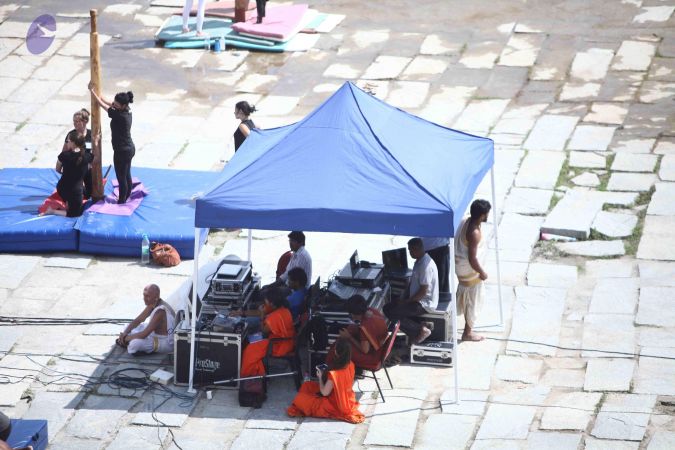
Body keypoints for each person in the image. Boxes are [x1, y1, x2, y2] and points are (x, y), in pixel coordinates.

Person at [287, 338, 365, 423]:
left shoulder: (335, 373)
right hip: (347, 399)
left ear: (336, 352)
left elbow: (324, 393)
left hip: (333, 405)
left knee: (299, 399)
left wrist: (320, 377)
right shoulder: (351, 364)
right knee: (307, 385)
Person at [383, 238, 438, 344]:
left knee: (391, 312)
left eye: (410, 250)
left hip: (424, 303)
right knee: (388, 307)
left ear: (416, 249)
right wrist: (402, 297)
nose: (409, 253)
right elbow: (413, 282)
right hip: (416, 299)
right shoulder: (419, 261)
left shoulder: (425, 266)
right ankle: (419, 327)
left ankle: (420, 331)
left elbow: (423, 292)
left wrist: (406, 301)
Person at [89, 83, 135, 204]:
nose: (114, 104)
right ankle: (127, 195)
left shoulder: (120, 116)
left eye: (117, 104)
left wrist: (92, 92)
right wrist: (98, 93)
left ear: (123, 106)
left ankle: (122, 200)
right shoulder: (127, 110)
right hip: (129, 148)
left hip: (122, 151)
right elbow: (111, 104)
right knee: (126, 173)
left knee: (121, 177)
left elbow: (103, 105)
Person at [455, 199, 490, 342]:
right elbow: (473, 259)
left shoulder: (465, 221)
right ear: (482, 215)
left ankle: (466, 330)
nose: (488, 215)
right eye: (487, 213)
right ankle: (467, 333)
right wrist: (482, 272)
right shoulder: (474, 232)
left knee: (469, 298)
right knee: (473, 300)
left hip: (461, 267)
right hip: (470, 271)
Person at [240, 287, 295, 377]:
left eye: (266, 303)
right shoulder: (284, 310)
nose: (264, 305)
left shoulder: (275, 316)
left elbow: (264, 332)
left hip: (278, 345)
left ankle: (248, 376)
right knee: (251, 340)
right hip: (286, 341)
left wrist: (262, 315)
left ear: (272, 304)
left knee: (249, 350)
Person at [328, 295, 387, 368]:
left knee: (339, 349)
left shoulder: (365, 326)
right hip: (381, 346)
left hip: (374, 356)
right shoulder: (372, 310)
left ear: (353, 314)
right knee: (351, 328)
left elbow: (365, 350)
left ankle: (331, 370)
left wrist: (349, 337)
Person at [42, 131, 93, 217]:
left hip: (62, 188)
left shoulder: (63, 155)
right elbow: (95, 159)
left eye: (67, 141)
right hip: (75, 191)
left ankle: (68, 202)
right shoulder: (87, 157)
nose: (66, 143)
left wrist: (69, 173)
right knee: (75, 214)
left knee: (80, 179)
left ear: (73, 143)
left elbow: (58, 169)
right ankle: (52, 211)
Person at [116, 284, 176, 355]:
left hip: (164, 342)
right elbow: (138, 320)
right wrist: (125, 333)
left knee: (135, 344)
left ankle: (129, 344)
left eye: (147, 296)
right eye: (144, 295)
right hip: (153, 334)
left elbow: (144, 334)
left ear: (156, 298)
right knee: (128, 326)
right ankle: (127, 342)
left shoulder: (160, 311)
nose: (144, 298)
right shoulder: (153, 303)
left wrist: (125, 338)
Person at [63, 108, 93, 199]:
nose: (74, 124)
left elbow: (94, 153)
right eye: (74, 121)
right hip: (74, 167)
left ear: (85, 122)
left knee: (89, 194)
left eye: (77, 121)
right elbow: (64, 152)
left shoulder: (91, 134)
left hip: (86, 166)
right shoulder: (71, 134)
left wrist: (90, 165)